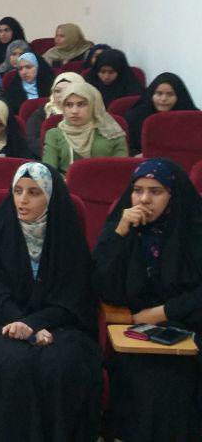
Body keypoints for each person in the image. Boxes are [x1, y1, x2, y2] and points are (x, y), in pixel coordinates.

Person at [0, 161, 102, 441]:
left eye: (34, 192)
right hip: (3, 323)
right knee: (12, 364)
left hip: (60, 325)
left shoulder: (66, 233)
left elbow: (74, 296)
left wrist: (34, 324)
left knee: (63, 364)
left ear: (50, 196)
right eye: (17, 191)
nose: (23, 200)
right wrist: (21, 323)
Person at [93, 159, 202, 441]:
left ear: (173, 196)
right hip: (135, 333)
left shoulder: (193, 228)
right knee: (143, 380)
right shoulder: (122, 228)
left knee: (179, 382)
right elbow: (102, 286)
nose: (144, 199)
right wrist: (120, 233)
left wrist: (161, 312)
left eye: (155, 191)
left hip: (190, 325)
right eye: (137, 190)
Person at [42, 81, 128, 175]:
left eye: (81, 104)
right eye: (69, 105)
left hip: (106, 182)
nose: (74, 111)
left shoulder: (111, 133)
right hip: (66, 183)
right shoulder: (54, 134)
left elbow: (122, 171)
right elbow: (49, 173)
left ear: (93, 105)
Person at [125, 73, 198, 154]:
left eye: (170, 94)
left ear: (179, 96)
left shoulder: (194, 119)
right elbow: (127, 149)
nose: (163, 99)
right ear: (151, 94)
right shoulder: (135, 117)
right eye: (159, 93)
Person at [26, 71, 85, 158]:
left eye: (67, 90)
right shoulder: (43, 112)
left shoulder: (88, 112)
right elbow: (33, 141)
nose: (61, 95)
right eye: (57, 91)